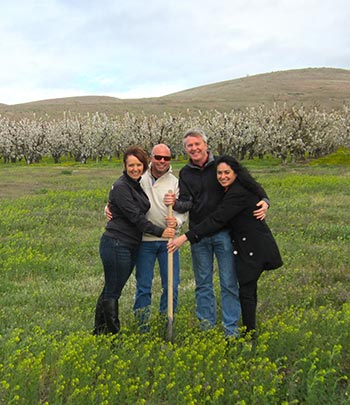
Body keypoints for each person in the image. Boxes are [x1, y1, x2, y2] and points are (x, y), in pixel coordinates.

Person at [164, 128, 269, 337]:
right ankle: (206, 330)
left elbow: (250, 185)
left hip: (224, 234)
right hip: (198, 235)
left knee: (229, 283)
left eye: (197, 144)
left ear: (205, 145)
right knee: (203, 284)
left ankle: (231, 330)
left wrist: (265, 201)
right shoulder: (185, 173)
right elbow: (187, 203)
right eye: (189, 146)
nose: (194, 149)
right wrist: (175, 203)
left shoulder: (221, 166)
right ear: (185, 149)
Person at [93, 145, 175, 335]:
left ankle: (99, 331)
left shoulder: (135, 184)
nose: (135, 169)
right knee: (113, 291)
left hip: (128, 245)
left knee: (111, 288)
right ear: (124, 165)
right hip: (116, 243)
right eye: (131, 165)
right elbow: (137, 219)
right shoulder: (122, 186)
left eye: (139, 165)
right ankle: (113, 336)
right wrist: (161, 232)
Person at [133, 144, 187, 330]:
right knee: (143, 287)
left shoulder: (175, 182)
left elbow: (182, 211)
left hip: (169, 242)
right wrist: (108, 208)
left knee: (171, 287)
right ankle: (142, 326)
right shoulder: (139, 178)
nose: (162, 161)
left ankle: (166, 323)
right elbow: (121, 197)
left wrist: (177, 222)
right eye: (158, 157)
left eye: (167, 158)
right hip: (144, 241)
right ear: (151, 158)